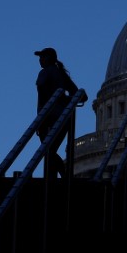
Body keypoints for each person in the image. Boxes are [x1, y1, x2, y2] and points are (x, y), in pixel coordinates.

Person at [34, 47, 87, 178]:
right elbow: (81, 95)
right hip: (64, 118)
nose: (40, 60)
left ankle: (62, 175)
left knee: (48, 150)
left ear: (49, 58)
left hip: (48, 118)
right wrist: (65, 99)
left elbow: (42, 90)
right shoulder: (61, 74)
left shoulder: (44, 73)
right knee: (50, 150)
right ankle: (63, 175)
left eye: (42, 57)